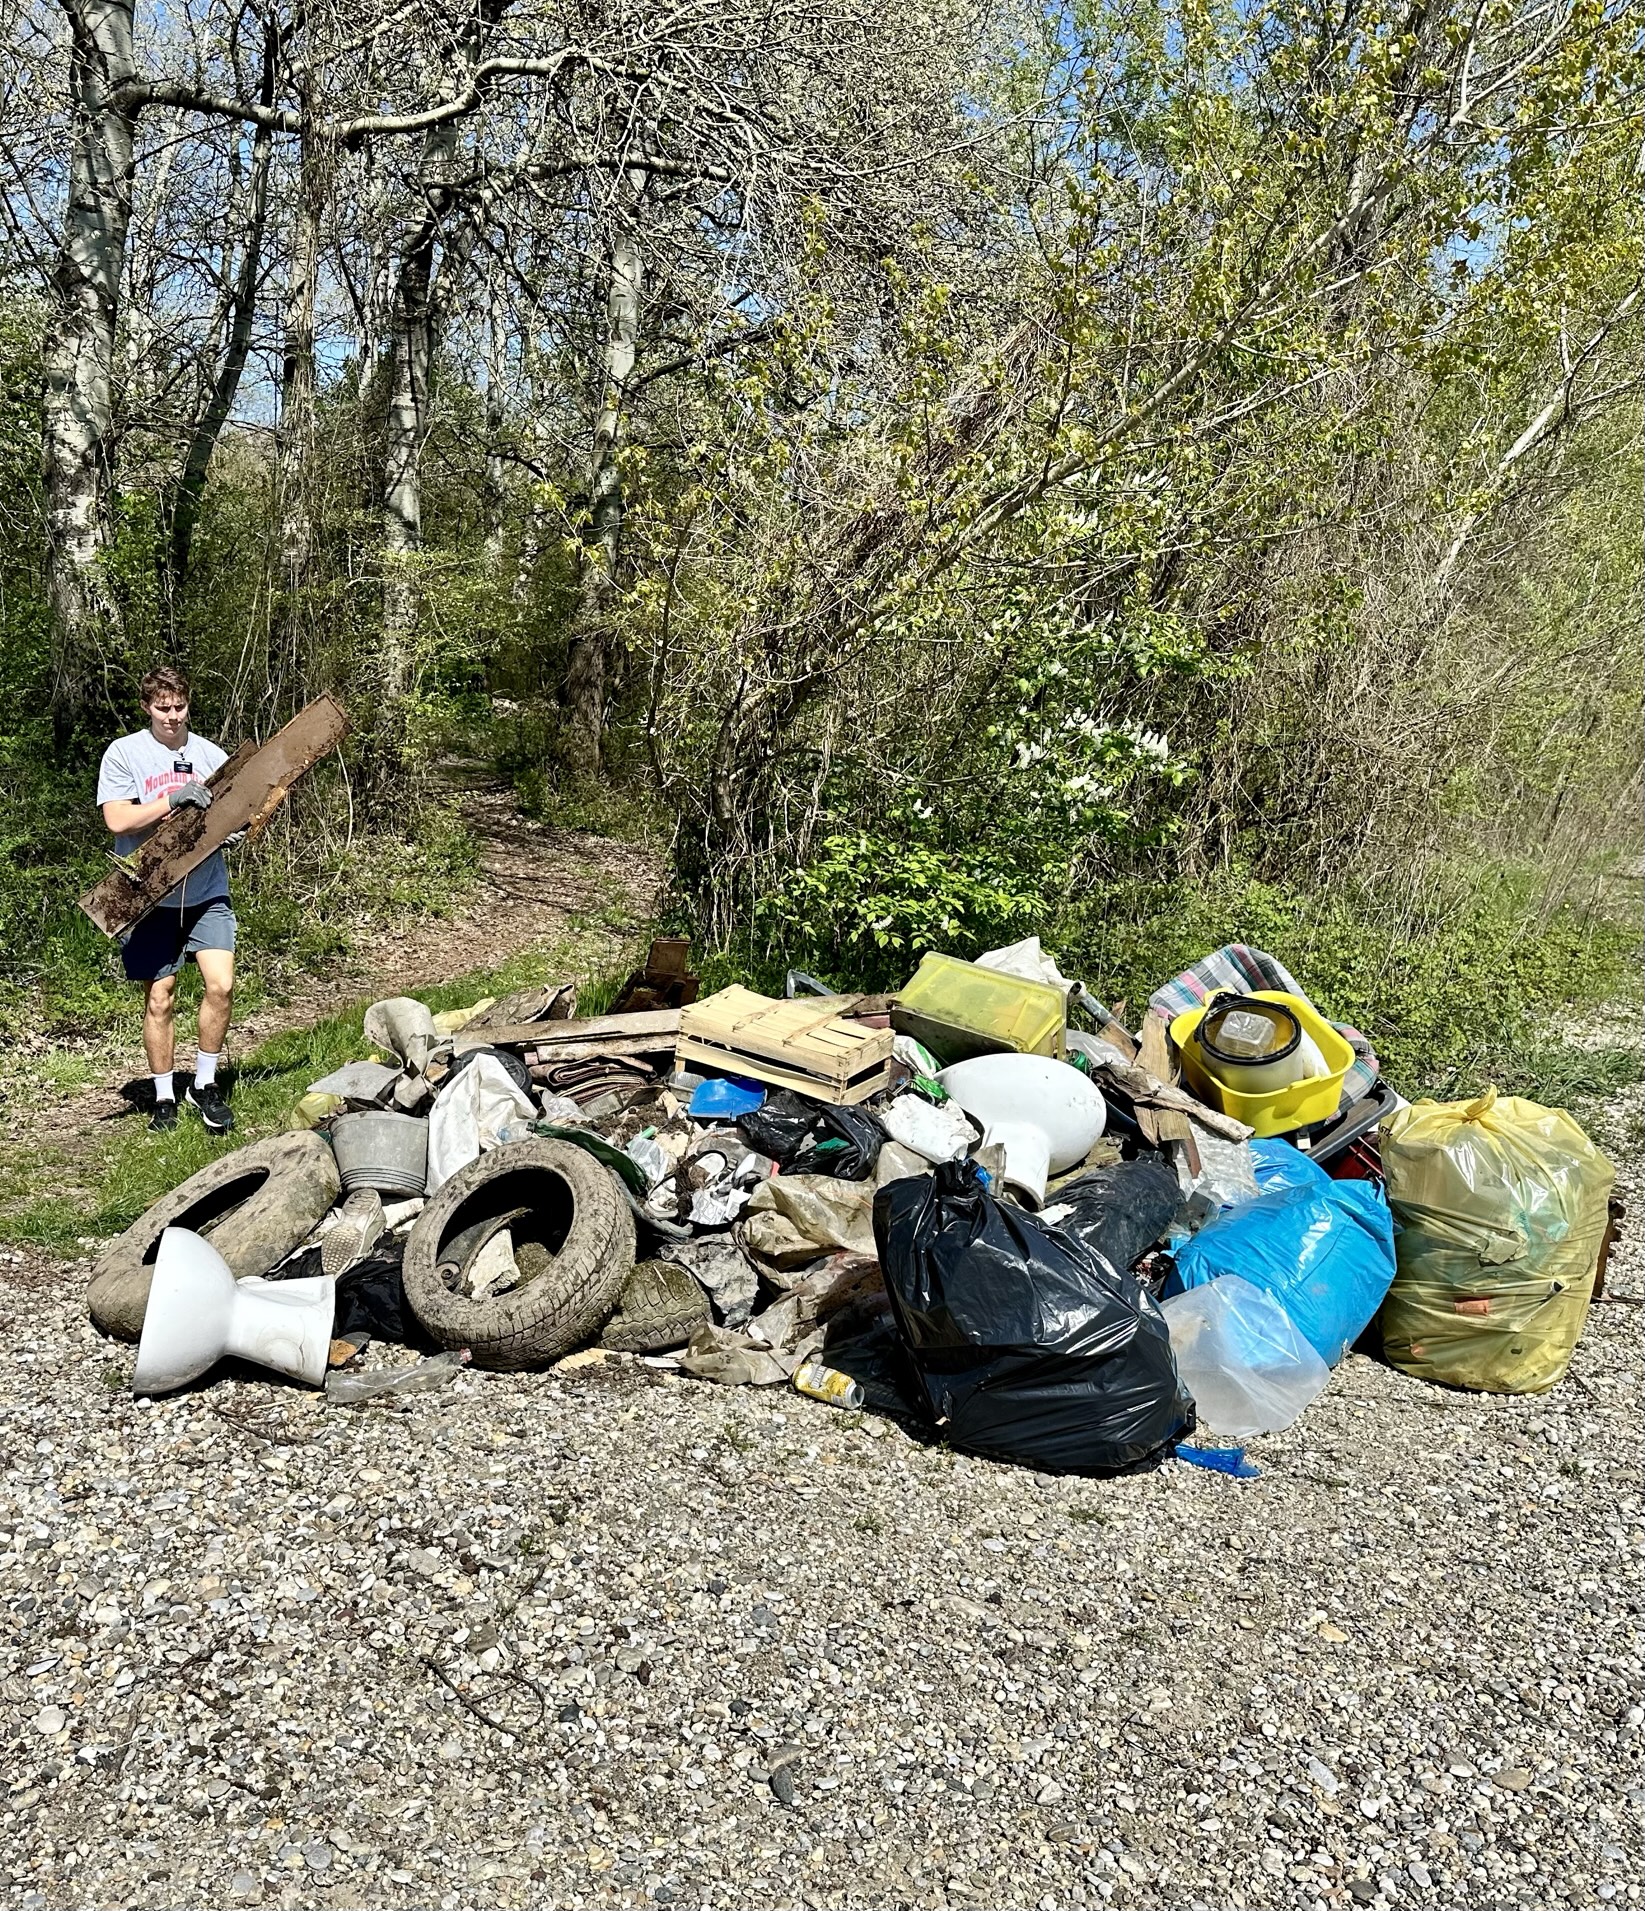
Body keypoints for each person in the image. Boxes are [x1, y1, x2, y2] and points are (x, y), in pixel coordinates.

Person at [96, 667, 237, 1134]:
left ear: (188, 703)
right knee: (160, 997)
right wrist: (173, 800)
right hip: (149, 894)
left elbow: (237, 807)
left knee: (220, 986)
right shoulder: (125, 754)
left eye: (179, 707)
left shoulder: (210, 755)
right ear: (147, 708)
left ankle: (204, 1084)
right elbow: (118, 821)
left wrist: (236, 830)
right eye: (162, 708)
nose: (172, 716)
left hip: (206, 889)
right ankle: (163, 1096)